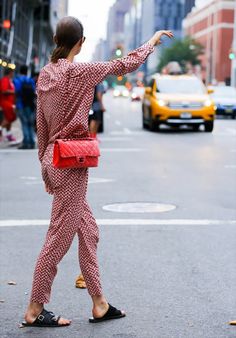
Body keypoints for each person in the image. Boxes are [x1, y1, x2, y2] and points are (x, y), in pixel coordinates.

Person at [22, 16, 173, 328]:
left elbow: (41, 126)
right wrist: (153, 41)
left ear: (55, 40)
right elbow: (126, 64)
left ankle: (99, 303)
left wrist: (44, 166)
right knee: (58, 240)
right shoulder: (81, 71)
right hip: (71, 163)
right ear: (81, 42)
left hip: (54, 158)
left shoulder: (45, 74)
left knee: (88, 231)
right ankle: (35, 308)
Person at [14, 65, 36, 149]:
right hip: (30, 105)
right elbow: (34, 91)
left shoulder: (17, 80)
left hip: (21, 104)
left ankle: (26, 142)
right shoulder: (30, 80)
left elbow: (16, 92)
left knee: (24, 123)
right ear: (27, 71)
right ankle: (32, 142)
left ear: (20, 71)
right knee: (30, 124)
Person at [0, 68, 16, 143]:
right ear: (10, 73)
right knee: (9, 118)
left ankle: (8, 134)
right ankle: (2, 130)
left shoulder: (9, 80)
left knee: (9, 118)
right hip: (6, 103)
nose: (13, 74)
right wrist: (14, 92)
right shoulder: (5, 80)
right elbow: (4, 91)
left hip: (9, 102)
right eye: (12, 72)